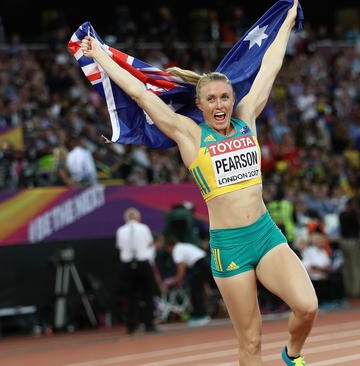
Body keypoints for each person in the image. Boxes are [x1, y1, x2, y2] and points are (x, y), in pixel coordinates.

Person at [82, 2, 315, 364]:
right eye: (211, 100)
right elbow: (140, 94)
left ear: (232, 98)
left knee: (308, 307)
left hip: (266, 234)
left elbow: (270, 66)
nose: (220, 105)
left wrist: (286, 23)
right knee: (251, 342)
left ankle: (292, 356)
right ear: (200, 105)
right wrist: (98, 54)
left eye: (224, 97)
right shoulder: (189, 135)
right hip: (231, 246)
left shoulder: (246, 118)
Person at [115, 207, 159, 334]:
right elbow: (149, 244)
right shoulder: (144, 228)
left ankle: (131, 326)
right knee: (148, 294)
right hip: (143, 263)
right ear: (138, 217)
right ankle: (149, 324)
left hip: (127, 265)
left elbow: (120, 247)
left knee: (130, 296)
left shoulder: (120, 230)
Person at [163, 236, 212, 327]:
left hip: (200, 265)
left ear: (169, 246)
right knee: (197, 289)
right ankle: (201, 314)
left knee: (195, 291)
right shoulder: (182, 246)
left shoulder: (176, 250)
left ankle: (201, 316)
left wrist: (176, 280)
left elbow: (181, 268)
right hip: (204, 263)